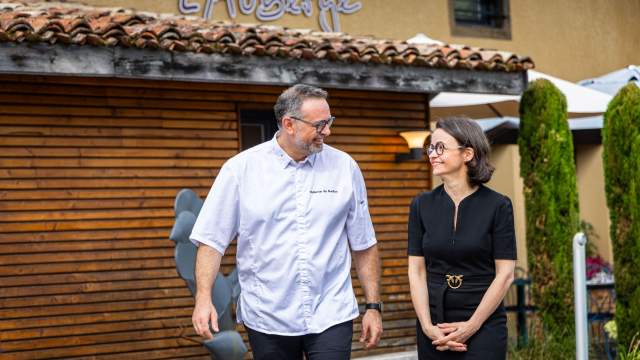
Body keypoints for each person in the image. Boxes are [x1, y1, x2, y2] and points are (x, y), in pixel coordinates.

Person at [190, 84, 383, 360]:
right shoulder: (240, 170)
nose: (327, 131)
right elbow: (211, 240)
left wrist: (373, 306)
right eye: (320, 124)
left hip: (331, 312)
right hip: (268, 315)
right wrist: (203, 298)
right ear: (289, 124)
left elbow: (364, 243)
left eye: (330, 122)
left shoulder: (345, 167)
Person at [407, 117, 517, 359]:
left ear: (467, 154)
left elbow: (505, 274)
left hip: (483, 322)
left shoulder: (498, 206)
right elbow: (416, 271)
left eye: (441, 147)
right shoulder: (420, 205)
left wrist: (471, 326)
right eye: (431, 147)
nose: (432, 154)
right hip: (434, 323)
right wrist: (427, 326)